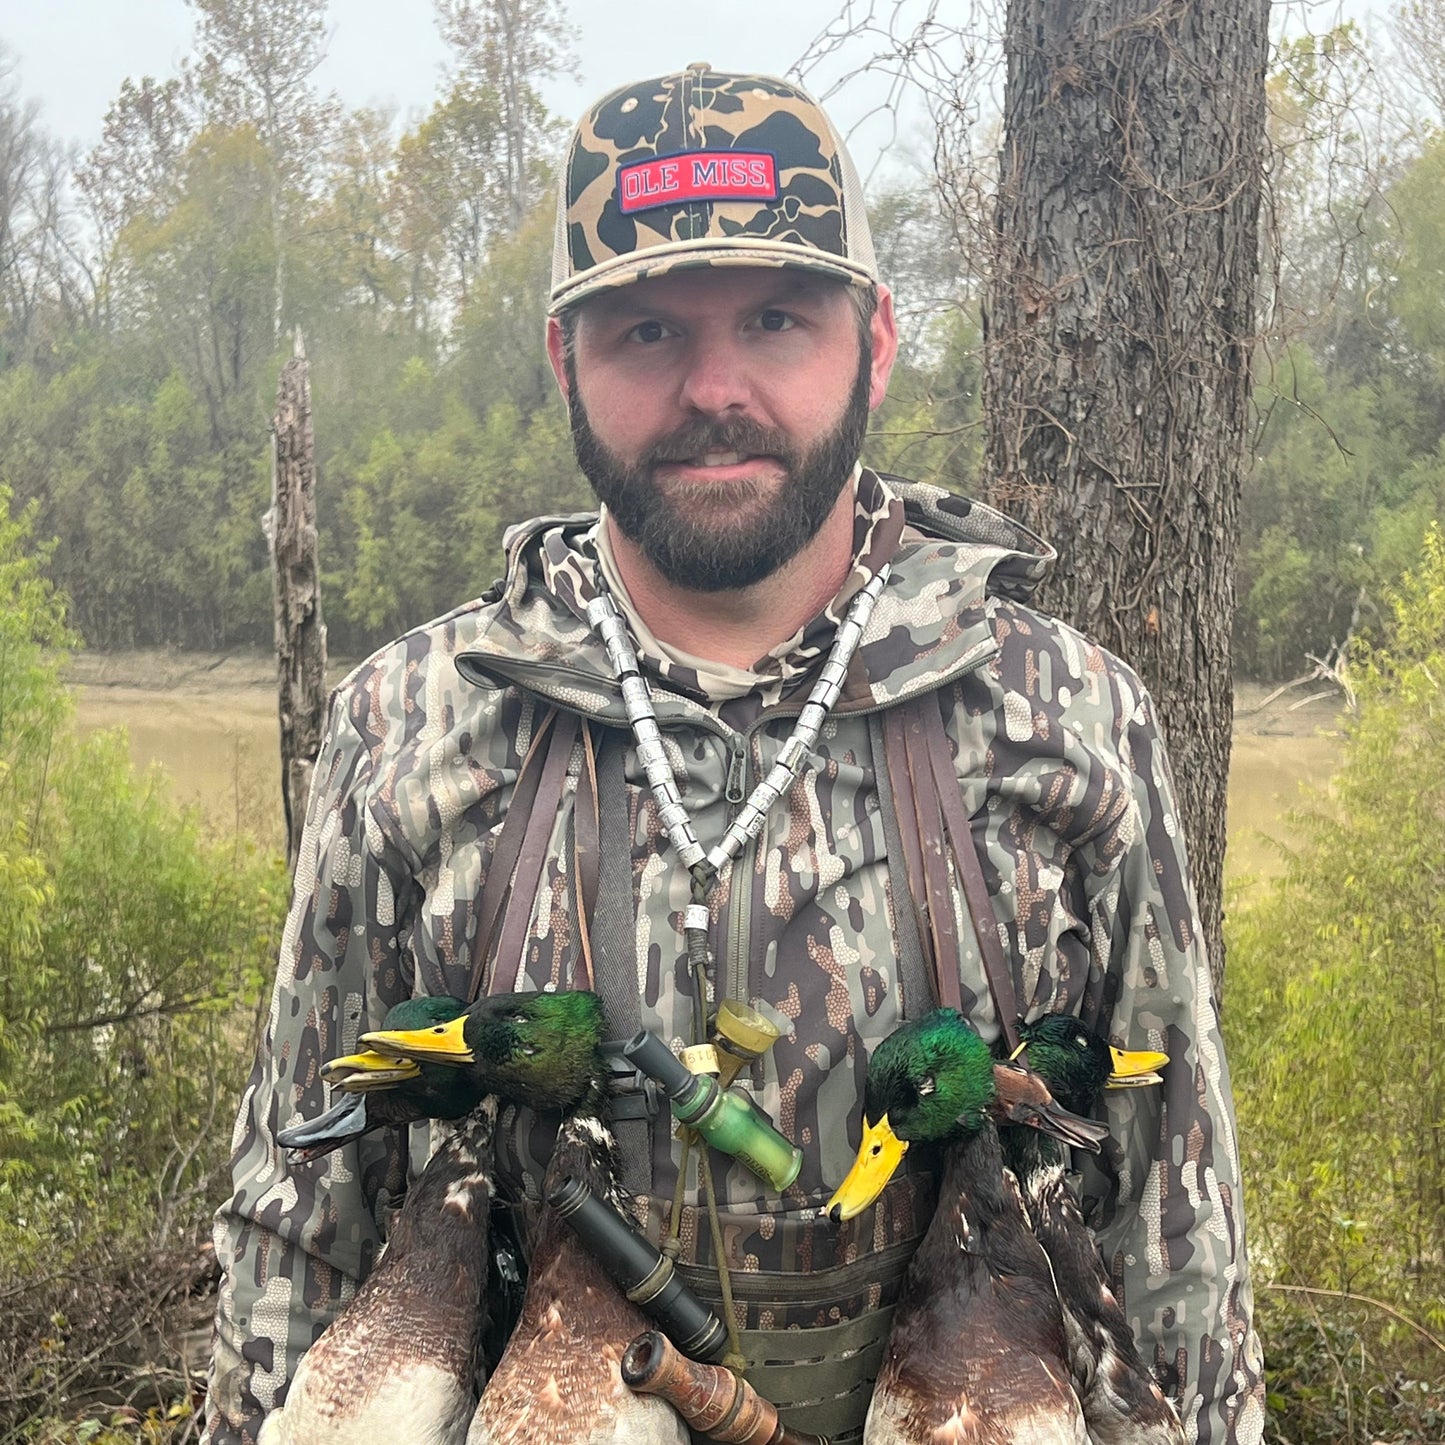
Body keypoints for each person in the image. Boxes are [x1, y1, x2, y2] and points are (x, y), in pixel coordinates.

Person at [203, 63, 1265, 1445]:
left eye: (774, 319)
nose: (713, 387)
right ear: (563, 359)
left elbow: (1174, 1221)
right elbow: (304, 1212)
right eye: (644, 330)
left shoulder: (1066, 715)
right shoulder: (411, 717)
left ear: (873, 340)